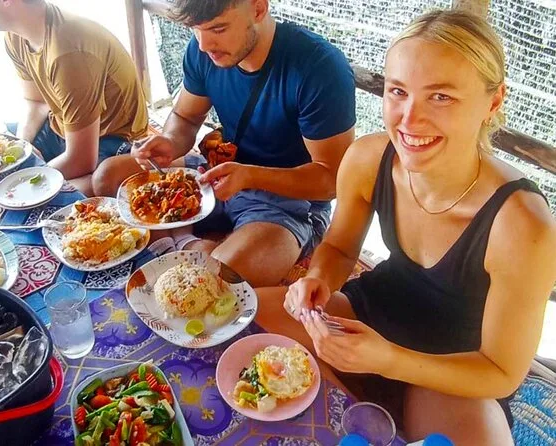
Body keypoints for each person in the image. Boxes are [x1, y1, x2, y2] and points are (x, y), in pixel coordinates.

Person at [255, 9, 556, 445]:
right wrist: (318, 279)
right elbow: (339, 248)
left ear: (493, 102)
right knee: (242, 321)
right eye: (398, 91)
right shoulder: (368, 159)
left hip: (454, 367)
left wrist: (386, 360)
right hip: (369, 314)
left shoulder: (524, 225)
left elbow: (502, 372)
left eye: (441, 97)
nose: (409, 120)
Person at [93, 0, 356, 286]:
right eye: (196, 29)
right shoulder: (204, 49)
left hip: (287, 199)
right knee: (108, 177)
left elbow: (332, 180)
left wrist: (250, 176)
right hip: (216, 172)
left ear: (258, 9)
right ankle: (185, 241)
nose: (204, 45)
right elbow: (185, 116)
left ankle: (176, 240)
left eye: (218, 28)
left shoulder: (319, 68)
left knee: (222, 275)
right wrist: (170, 141)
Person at [0, 0, 148, 194]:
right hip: (64, 128)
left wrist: (21, 182)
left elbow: (82, 160)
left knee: (82, 189)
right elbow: (36, 102)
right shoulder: (16, 35)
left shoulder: (69, 51)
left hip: (109, 140)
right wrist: (22, 147)